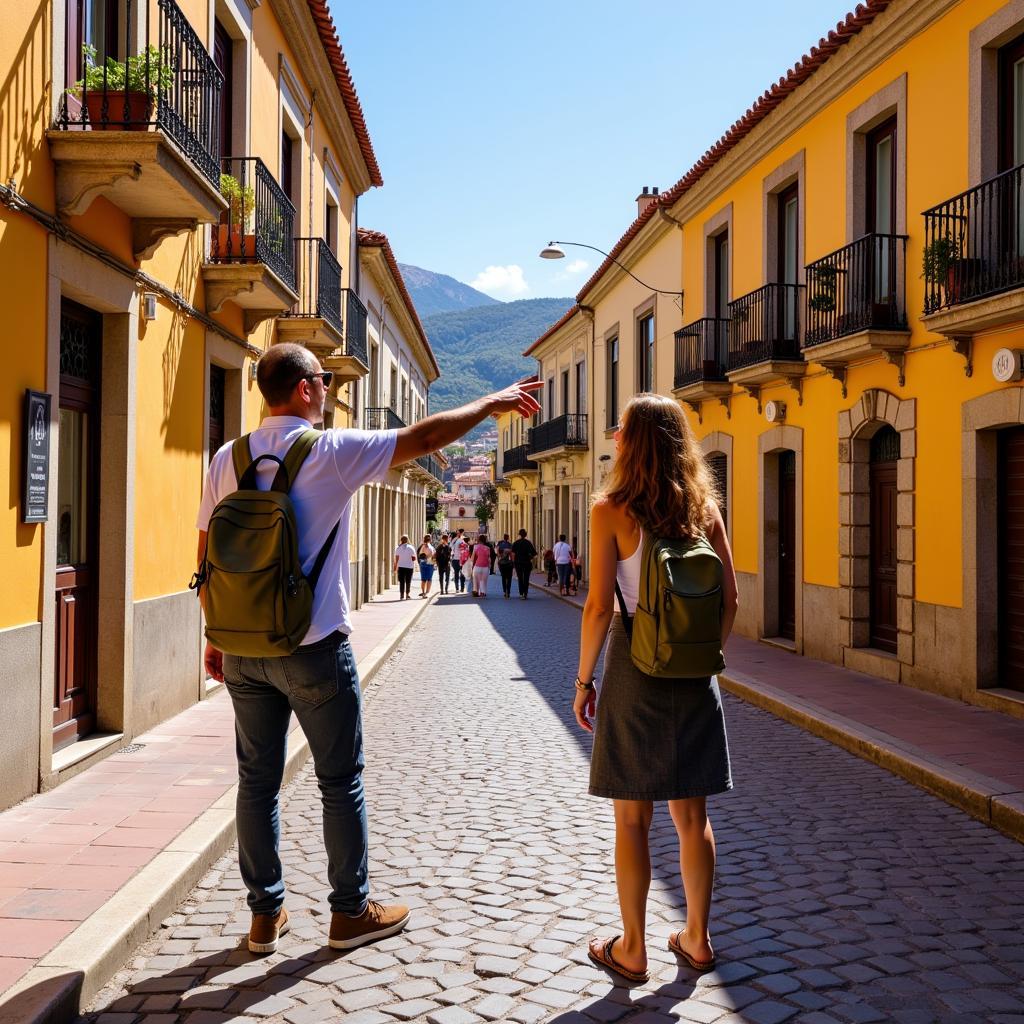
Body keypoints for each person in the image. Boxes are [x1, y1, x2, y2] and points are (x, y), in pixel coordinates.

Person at [195, 341, 541, 955]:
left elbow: (207, 557)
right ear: (303, 389)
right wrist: (490, 403)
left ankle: (263, 916)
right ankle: (350, 911)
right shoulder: (330, 451)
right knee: (340, 780)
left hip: (243, 647)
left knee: (256, 783)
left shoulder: (228, 456)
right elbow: (423, 440)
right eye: (323, 380)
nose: (329, 388)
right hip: (314, 646)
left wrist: (215, 635)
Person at [572, 394, 737, 984]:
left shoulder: (611, 510)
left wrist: (584, 681)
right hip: (694, 677)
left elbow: (596, 608)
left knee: (632, 820)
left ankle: (634, 948)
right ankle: (697, 938)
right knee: (693, 816)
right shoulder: (705, 511)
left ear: (630, 444)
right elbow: (731, 603)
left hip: (633, 671)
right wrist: (696, 655)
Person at [511, 528, 537, 599]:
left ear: (519, 534)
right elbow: (534, 554)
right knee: (526, 578)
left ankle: (521, 593)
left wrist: (513, 563)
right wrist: (530, 559)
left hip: (518, 563)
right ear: (525, 535)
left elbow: (513, 554)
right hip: (527, 563)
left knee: (520, 578)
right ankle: (525, 593)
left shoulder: (515, 543)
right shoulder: (528, 543)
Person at [394, 535, 416, 600]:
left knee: (401, 581)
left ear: (401, 540)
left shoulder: (398, 548)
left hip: (401, 567)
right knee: (408, 581)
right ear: (407, 540)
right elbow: (414, 558)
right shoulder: (411, 548)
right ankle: (407, 594)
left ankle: (401, 595)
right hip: (409, 567)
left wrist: (395, 567)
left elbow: (396, 558)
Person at [470, 532, 491, 597]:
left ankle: (475, 591)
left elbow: (472, 558)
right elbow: (489, 559)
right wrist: (489, 566)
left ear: (479, 540)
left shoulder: (475, 547)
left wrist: (471, 565)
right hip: (485, 567)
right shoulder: (488, 548)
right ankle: (482, 592)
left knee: (475, 579)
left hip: (477, 566)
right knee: (483, 581)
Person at [496, 533, 514, 598]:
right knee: (509, 578)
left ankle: (504, 591)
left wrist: (499, 559)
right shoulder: (510, 545)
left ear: (503, 537)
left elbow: (497, 553)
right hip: (509, 564)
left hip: (502, 563)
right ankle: (508, 591)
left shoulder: (500, 544)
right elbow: (512, 555)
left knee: (503, 577)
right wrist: (512, 562)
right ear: (508, 538)